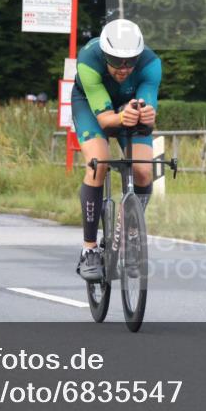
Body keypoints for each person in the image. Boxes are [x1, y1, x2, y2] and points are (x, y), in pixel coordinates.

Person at [71, 19, 161, 281]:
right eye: (116, 60)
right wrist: (123, 118)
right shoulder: (89, 59)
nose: (123, 69)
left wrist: (146, 116)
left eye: (130, 61)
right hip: (91, 107)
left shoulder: (150, 64)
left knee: (144, 172)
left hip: (126, 110)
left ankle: (130, 234)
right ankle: (89, 249)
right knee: (98, 164)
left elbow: (148, 113)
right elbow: (105, 120)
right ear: (104, 53)